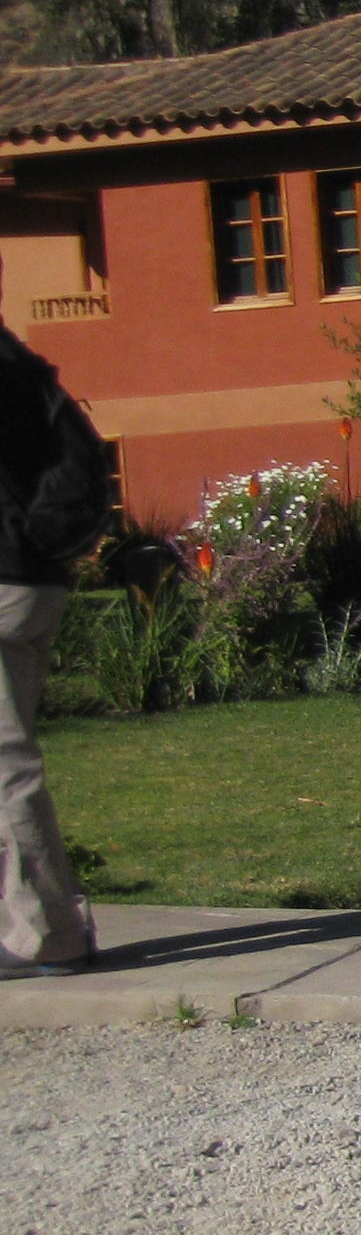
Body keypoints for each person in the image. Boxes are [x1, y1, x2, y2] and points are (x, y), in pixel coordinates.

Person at [0, 276, 112, 980]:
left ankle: (48, 936)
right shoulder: (22, 366)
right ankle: (28, 923)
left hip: (3, 576)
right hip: (30, 577)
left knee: (6, 767)